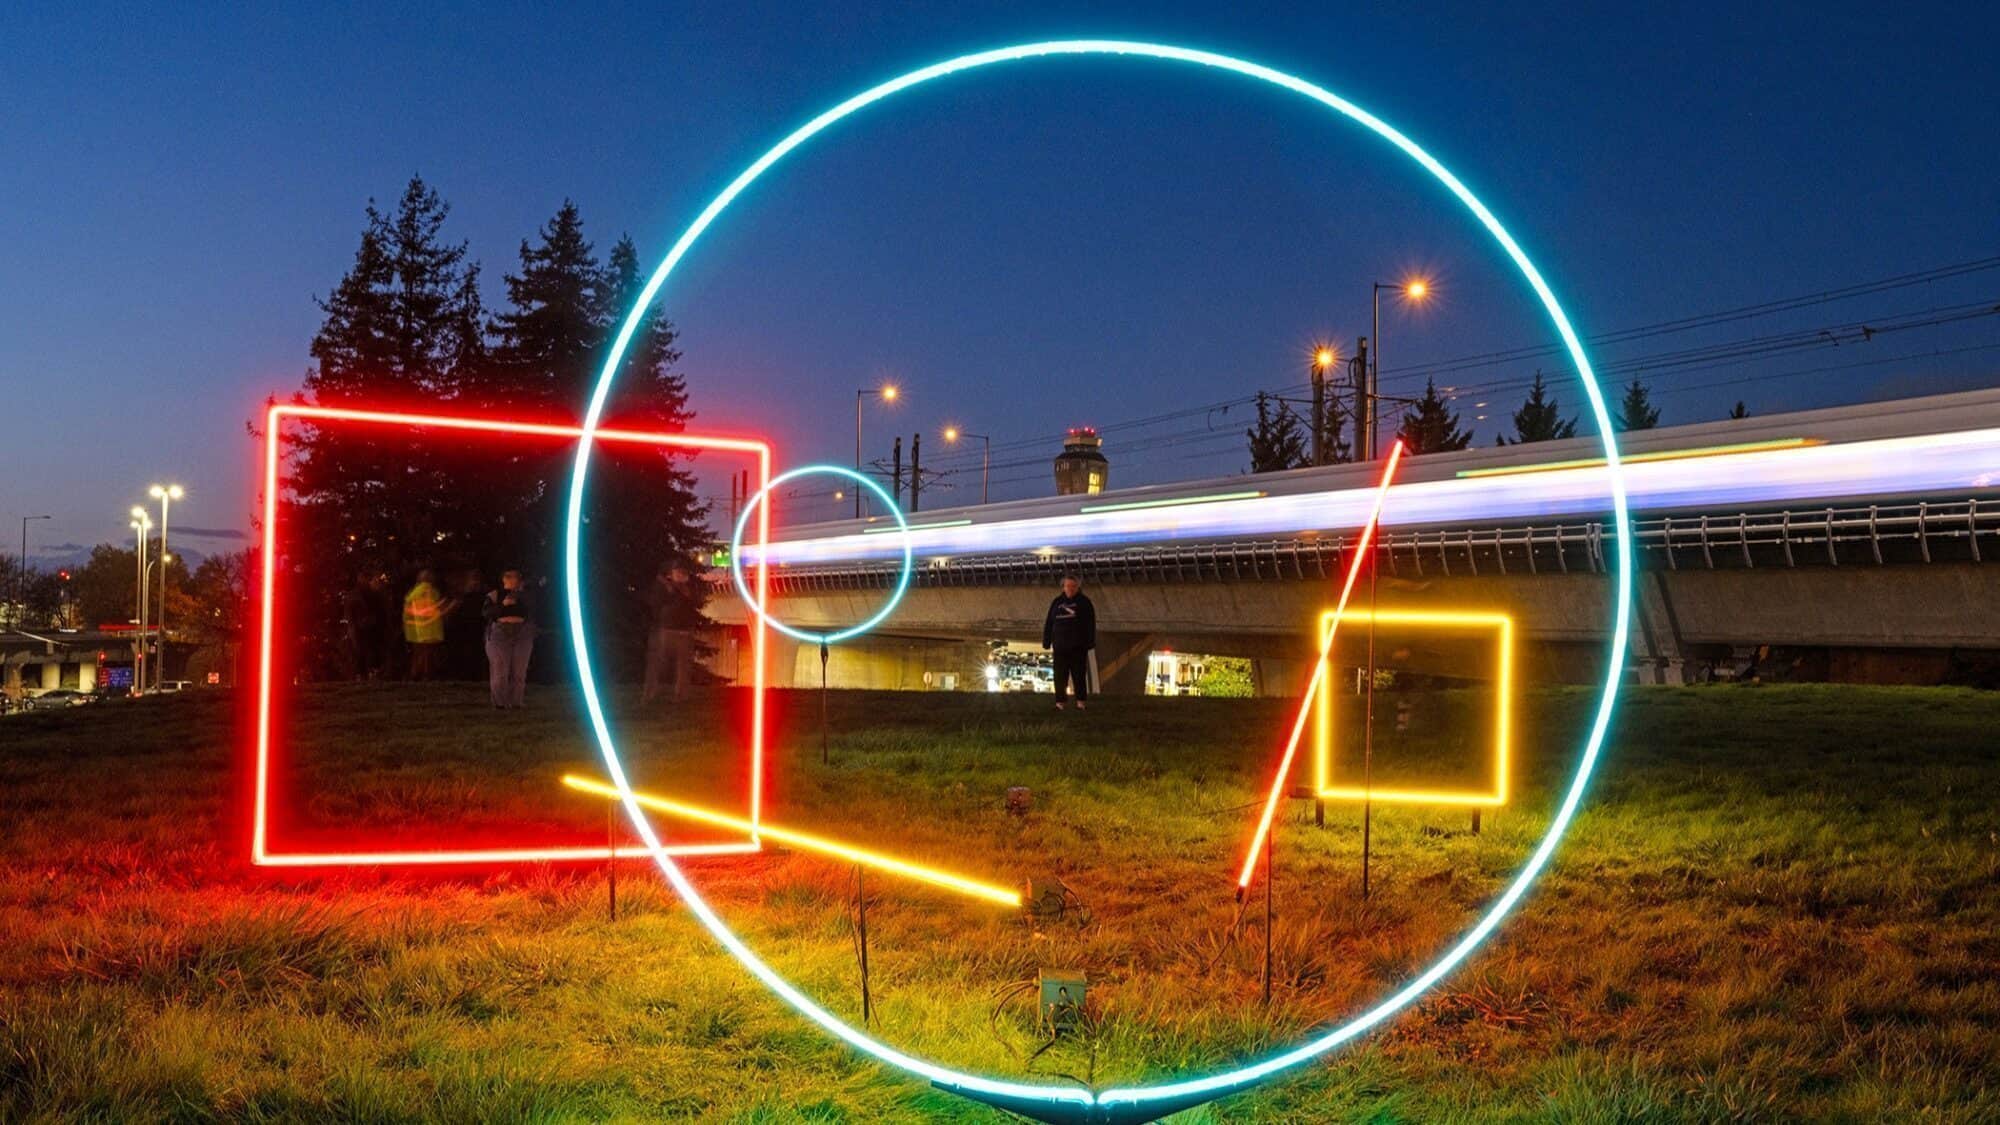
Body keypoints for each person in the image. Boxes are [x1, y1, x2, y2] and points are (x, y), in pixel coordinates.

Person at [643, 560, 702, 704]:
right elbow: (655, 603)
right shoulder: (663, 587)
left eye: (683, 572)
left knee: (683, 668)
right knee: (657, 666)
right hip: (666, 631)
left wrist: (681, 590)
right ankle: (649, 695)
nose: (681, 575)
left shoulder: (689, 588)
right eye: (678, 572)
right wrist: (667, 591)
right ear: (672, 573)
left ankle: (680, 697)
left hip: (684, 632)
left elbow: (695, 601)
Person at [1041, 574, 1097, 710]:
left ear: (1078, 587)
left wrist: (1090, 641)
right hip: (1060, 646)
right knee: (1060, 676)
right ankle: (1060, 703)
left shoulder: (1084, 602)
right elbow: (1049, 622)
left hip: (1078, 646)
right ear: (1063, 587)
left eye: (1073, 586)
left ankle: (1081, 703)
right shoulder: (1057, 602)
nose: (1070, 589)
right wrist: (1047, 640)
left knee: (1079, 675)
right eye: (1068, 586)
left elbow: (1090, 623)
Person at [483, 568, 536, 708]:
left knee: (519, 670)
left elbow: (533, 610)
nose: (513, 581)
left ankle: (516, 702)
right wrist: (502, 605)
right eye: (509, 578)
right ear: (504, 580)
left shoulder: (525, 596)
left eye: (516, 578)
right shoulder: (494, 595)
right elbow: (487, 613)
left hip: (522, 633)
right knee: (500, 669)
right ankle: (500, 703)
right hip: (500, 633)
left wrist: (521, 595)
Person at [402, 568, 450, 681]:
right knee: (428, 656)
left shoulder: (414, 593)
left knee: (418, 655)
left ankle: (415, 676)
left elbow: (409, 613)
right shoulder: (431, 591)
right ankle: (426, 677)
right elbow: (433, 610)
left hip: (416, 630)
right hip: (430, 630)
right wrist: (448, 607)